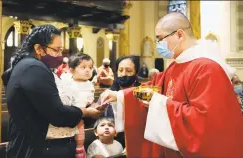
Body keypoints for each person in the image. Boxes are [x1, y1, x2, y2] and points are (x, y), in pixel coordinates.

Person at [100, 12, 243, 158]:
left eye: (160, 39)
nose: (158, 46)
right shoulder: (176, 65)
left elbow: (205, 123)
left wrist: (158, 103)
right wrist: (120, 95)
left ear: (179, 35)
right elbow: (153, 86)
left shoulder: (208, 68)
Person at [1, 24, 103, 158]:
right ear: (38, 48)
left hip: (47, 144)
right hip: (42, 148)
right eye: (56, 50)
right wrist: (86, 112)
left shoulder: (34, 66)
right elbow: (56, 113)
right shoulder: (34, 68)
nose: (60, 55)